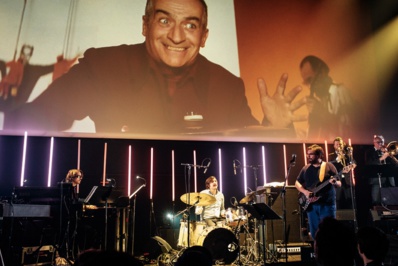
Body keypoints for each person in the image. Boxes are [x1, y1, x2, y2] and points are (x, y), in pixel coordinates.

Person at [3, 0, 306, 136]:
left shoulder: (226, 84)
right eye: (164, 21)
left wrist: (277, 128)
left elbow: (249, 155)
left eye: (190, 25)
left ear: (204, 36)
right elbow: (31, 118)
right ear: (145, 25)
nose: (176, 36)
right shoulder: (104, 66)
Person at [300, 55, 354, 140]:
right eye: (306, 82)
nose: (309, 86)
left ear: (322, 72)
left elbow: (348, 133)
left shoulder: (341, 92)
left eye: (310, 80)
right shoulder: (319, 100)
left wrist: (321, 112)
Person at [295, 144, 341, 239]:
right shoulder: (305, 168)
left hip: (327, 204)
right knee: (314, 232)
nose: (308, 156)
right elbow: (297, 183)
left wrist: (335, 182)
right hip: (311, 206)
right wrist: (305, 192)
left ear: (319, 155)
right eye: (308, 154)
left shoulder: (329, 166)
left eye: (311, 154)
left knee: (329, 232)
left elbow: (339, 183)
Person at [365, 135, 397, 205]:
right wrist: (382, 158)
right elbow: (369, 163)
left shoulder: (387, 151)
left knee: (391, 201)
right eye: (378, 142)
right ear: (374, 143)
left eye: (382, 142)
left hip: (389, 180)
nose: (381, 144)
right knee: (376, 200)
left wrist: (390, 156)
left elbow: (395, 164)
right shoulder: (369, 152)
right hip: (377, 180)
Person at [328, 136, 357, 209]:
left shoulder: (347, 155)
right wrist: (338, 158)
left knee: (350, 199)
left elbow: (354, 163)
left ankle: (351, 217)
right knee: (337, 200)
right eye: (337, 144)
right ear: (334, 146)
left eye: (340, 144)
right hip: (338, 180)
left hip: (347, 180)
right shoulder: (331, 155)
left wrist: (349, 167)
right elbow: (329, 165)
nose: (339, 146)